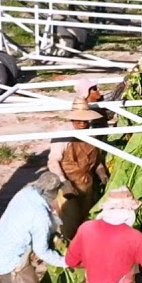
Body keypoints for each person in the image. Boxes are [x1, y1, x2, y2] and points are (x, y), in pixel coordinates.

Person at [48, 98, 109, 237]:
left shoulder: (92, 133)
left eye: (85, 120)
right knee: (70, 222)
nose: (82, 123)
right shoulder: (63, 135)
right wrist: (64, 182)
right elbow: (53, 161)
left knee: (86, 219)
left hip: (87, 185)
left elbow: (96, 160)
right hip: (68, 185)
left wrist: (102, 173)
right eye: (78, 120)